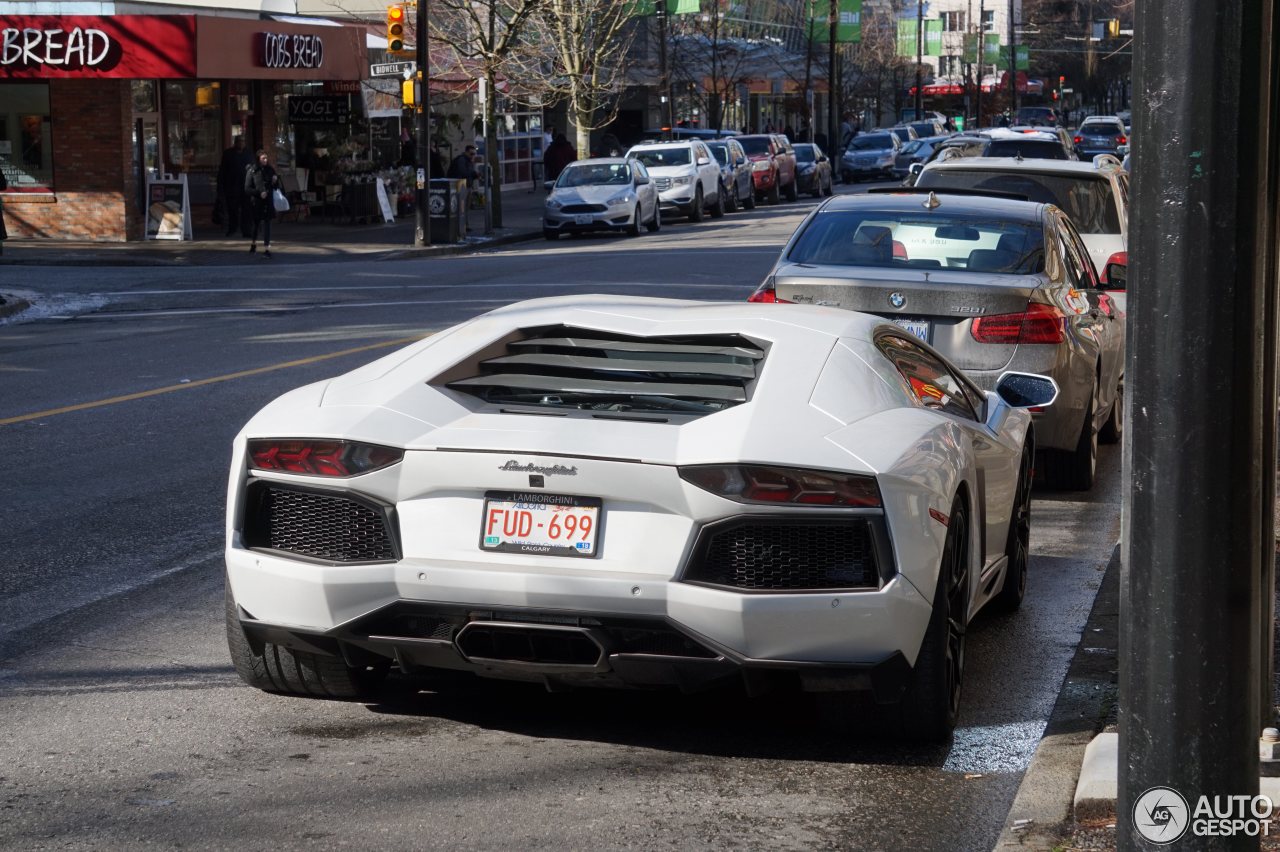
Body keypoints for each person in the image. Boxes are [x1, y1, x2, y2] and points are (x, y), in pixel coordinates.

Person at [244, 149, 280, 258]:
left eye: (266, 158)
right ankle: (254, 243)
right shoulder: (252, 170)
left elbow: (276, 187)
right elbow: (247, 188)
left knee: (268, 224)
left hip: (268, 201)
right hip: (257, 202)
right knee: (256, 224)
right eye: (263, 158)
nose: (265, 160)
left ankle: (267, 248)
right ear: (258, 159)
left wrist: (275, 181)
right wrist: (259, 193)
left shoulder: (270, 170)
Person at [216, 136, 254, 238]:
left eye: (243, 141)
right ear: (235, 143)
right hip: (232, 186)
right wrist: (220, 186)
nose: (241, 143)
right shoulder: (228, 154)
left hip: (246, 187)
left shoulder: (249, 154)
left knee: (247, 210)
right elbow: (222, 171)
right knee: (232, 209)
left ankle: (246, 231)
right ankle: (232, 229)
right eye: (239, 141)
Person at [447, 144, 479, 239]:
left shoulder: (468, 160)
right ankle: (462, 226)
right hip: (461, 185)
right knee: (462, 207)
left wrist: (474, 175)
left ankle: (465, 225)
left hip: (466, 185)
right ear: (466, 152)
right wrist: (473, 174)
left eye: (474, 154)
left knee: (465, 207)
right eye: (471, 153)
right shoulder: (462, 160)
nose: (473, 155)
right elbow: (463, 172)